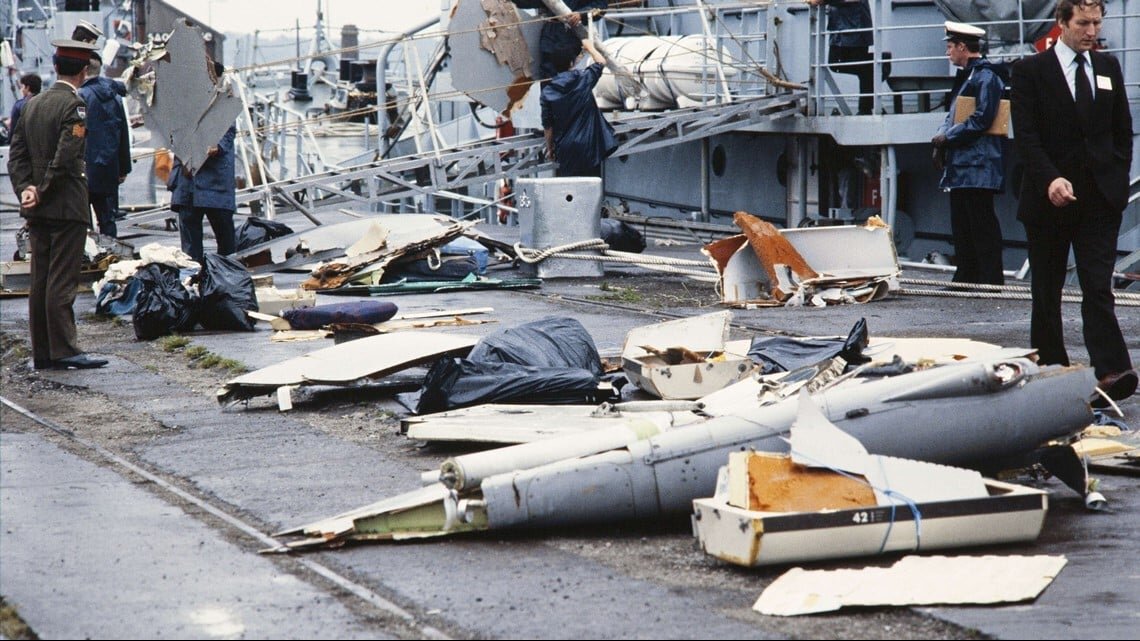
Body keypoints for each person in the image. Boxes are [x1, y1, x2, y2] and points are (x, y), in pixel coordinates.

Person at [1010, 0, 1136, 404]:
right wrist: (1050, 179)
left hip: (1099, 200)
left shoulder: (1107, 68)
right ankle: (1051, 370)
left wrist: (1115, 181)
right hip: (1050, 200)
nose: (1091, 31)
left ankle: (1112, 370)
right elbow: (1026, 136)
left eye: (1097, 22)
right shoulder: (1030, 71)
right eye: (1083, 23)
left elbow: (1121, 132)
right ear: (1062, 23)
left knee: (1098, 287)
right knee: (1046, 290)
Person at [7, 39, 108, 370]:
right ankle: (65, 349)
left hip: (37, 208)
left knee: (40, 280)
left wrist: (26, 189)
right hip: (65, 205)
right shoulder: (75, 106)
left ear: (55, 67)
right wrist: (43, 189)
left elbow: (17, 153)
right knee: (62, 281)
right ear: (83, 70)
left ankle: (44, 352)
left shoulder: (32, 104)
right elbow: (66, 157)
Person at [931, 21, 1006, 286]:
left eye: (950, 47)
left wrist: (946, 138)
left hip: (978, 164)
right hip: (965, 164)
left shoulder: (985, 77)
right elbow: (954, 116)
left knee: (980, 222)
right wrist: (941, 140)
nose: (948, 52)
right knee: (963, 223)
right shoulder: (970, 77)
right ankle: (968, 274)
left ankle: (989, 278)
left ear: (963, 47)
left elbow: (981, 119)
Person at [168, 61, 237, 264]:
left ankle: (228, 281)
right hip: (188, 186)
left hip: (215, 185)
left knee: (225, 242)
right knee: (190, 250)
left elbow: (221, 141)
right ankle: (192, 283)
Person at [541, 37, 617, 178]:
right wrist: (590, 47)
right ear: (572, 63)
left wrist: (550, 147)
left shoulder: (547, 92)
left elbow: (548, 126)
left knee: (570, 191)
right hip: (590, 145)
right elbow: (601, 62)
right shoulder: (583, 79)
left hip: (566, 149)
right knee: (592, 188)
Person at [80, 51, 132, 238]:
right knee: (107, 221)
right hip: (109, 168)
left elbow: (76, 134)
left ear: (83, 69)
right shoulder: (115, 97)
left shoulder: (81, 96)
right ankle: (111, 259)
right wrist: (123, 167)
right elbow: (123, 134)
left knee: (82, 223)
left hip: (83, 168)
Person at [513, 1, 609, 83]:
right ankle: (549, 101)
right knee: (546, 71)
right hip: (551, 30)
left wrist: (581, 14)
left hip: (572, 32)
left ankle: (561, 101)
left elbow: (600, 6)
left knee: (564, 72)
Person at [807, 0, 874, 115]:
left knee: (863, 68)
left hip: (856, 31)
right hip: (840, 32)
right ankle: (878, 64)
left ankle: (865, 109)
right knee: (837, 65)